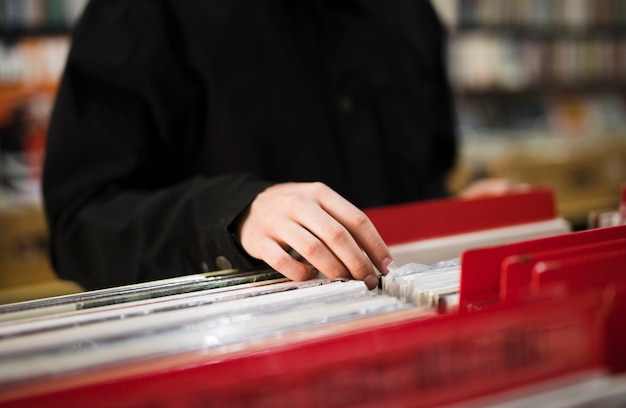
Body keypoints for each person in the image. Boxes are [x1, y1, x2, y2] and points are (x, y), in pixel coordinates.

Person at [43, 0, 459, 291]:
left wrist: (460, 214)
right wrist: (235, 214)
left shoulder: (409, 11)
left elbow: (426, 173)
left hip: (407, 334)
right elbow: (80, 221)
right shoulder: (144, 11)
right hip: (222, 365)